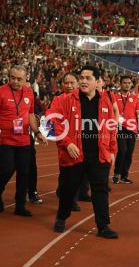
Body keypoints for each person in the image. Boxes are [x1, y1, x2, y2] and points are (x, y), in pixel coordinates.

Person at [52, 65, 118, 239]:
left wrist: (112, 150)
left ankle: (103, 226)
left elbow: (111, 128)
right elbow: (57, 124)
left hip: (98, 155)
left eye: (88, 78)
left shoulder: (105, 102)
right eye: (81, 77)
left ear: (97, 82)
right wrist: (67, 144)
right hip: (74, 155)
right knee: (68, 189)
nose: (83, 81)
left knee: (100, 190)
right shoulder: (67, 100)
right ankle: (62, 216)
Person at [0, 65, 46, 217]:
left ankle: (20, 205)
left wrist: (37, 132)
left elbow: (31, 114)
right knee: (7, 169)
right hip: (5, 138)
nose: (15, 81)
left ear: (26, 79)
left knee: (24, 172)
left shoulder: (29, 93)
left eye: (19, 79)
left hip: (24, 140)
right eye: (12, 78)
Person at [47, 72, 83, 210]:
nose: (69, 86)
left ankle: (71, 198)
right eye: (66, 83)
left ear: (77, 83)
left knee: (80, 172)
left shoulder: (84, 98)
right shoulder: (59, 100)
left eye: (72, 83)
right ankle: (67, 197)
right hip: (65, 142)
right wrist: (66, 141)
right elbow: (52, 118)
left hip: (82, 141)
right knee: (66, 171)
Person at [112, 75, 139, 184]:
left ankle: (124, 175)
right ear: (120, 84)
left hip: (132, 128)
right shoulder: (114, 97)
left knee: (129, 153)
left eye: (129, 83)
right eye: (125, 83)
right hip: (120, 127)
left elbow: (138, 114)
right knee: (122, 150)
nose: (127, 84)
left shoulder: (135, 98)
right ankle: (117, 173)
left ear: (131, 84)